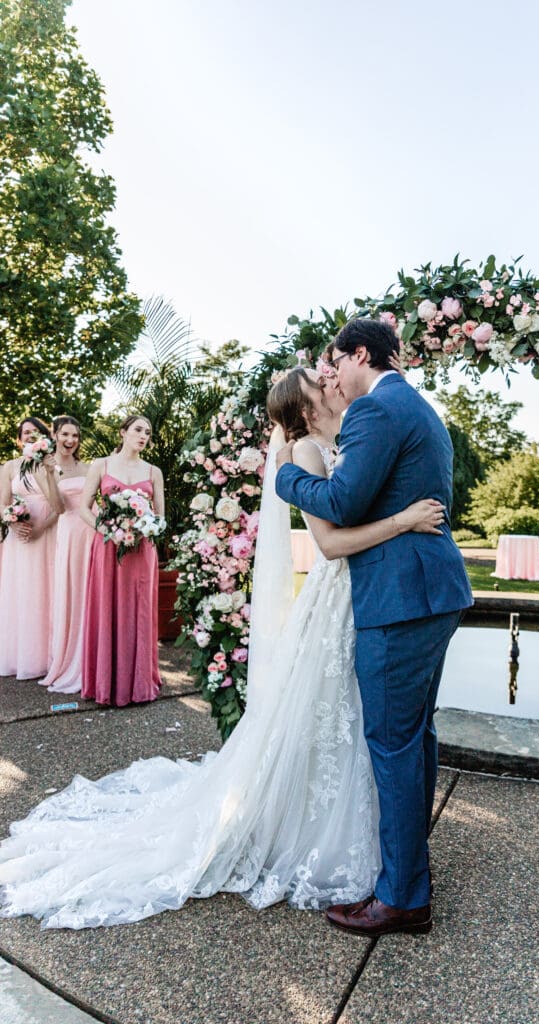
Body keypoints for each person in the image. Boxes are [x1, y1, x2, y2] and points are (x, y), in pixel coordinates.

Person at [0, 369, 445, 929]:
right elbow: (329, 543)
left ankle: (392, 847)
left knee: (365, 725)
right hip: (343, 597)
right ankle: (357, 845)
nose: (331, 381)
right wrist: (404, 520)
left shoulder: (349, 438)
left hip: (365, 600)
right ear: (305, 408)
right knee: (350, 723)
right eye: (320, 382)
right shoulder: (305, 451)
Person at [276, 317, 473, 937]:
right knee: (414, 737)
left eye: (338, 359)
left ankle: (403, 898)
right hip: (428, 592)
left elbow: (339, 505)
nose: (332, 372)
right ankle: (411, 869)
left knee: (391, 742)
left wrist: (283, 473)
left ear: (362, 353)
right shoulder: (412, 407)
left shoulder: (376, 411)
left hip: (400, 599)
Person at [79, 415, 164, 706]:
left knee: (137, 610)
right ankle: (106, 681)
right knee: (107, 606)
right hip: (108, 547)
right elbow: (83, 507)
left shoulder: (153, 471)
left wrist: (145, 528)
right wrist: (106, 529)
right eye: (138, 430)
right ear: (123, 432)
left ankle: (138, 683)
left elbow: (160, 518)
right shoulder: (100, 465)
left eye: (148, 432)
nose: (143, 435)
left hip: (141, 550)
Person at [0, 417, 61, 679]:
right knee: (21, 591)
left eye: (35, 432)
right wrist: (11, 523)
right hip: (19, 537)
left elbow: (59, 506)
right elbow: (3, 503)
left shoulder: (50, 465)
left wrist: (40, 528)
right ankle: (19, 656)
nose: (29, 436)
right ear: (18, 438)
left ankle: (49, 656)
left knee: (46, 589)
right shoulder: (10, 466)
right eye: (25, 432)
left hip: (46, 532)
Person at [38, 417, 93, 694]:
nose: (70, 440)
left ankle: (94, 658)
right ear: (55, 436)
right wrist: (49, 474)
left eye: (75, 435)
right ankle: (70, 659)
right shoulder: (48, 469)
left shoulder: (89, 466)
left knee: (92, 592)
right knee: (73, 593)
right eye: (65, 434)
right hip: (70, 533)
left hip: (93, 532)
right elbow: (58, 508)